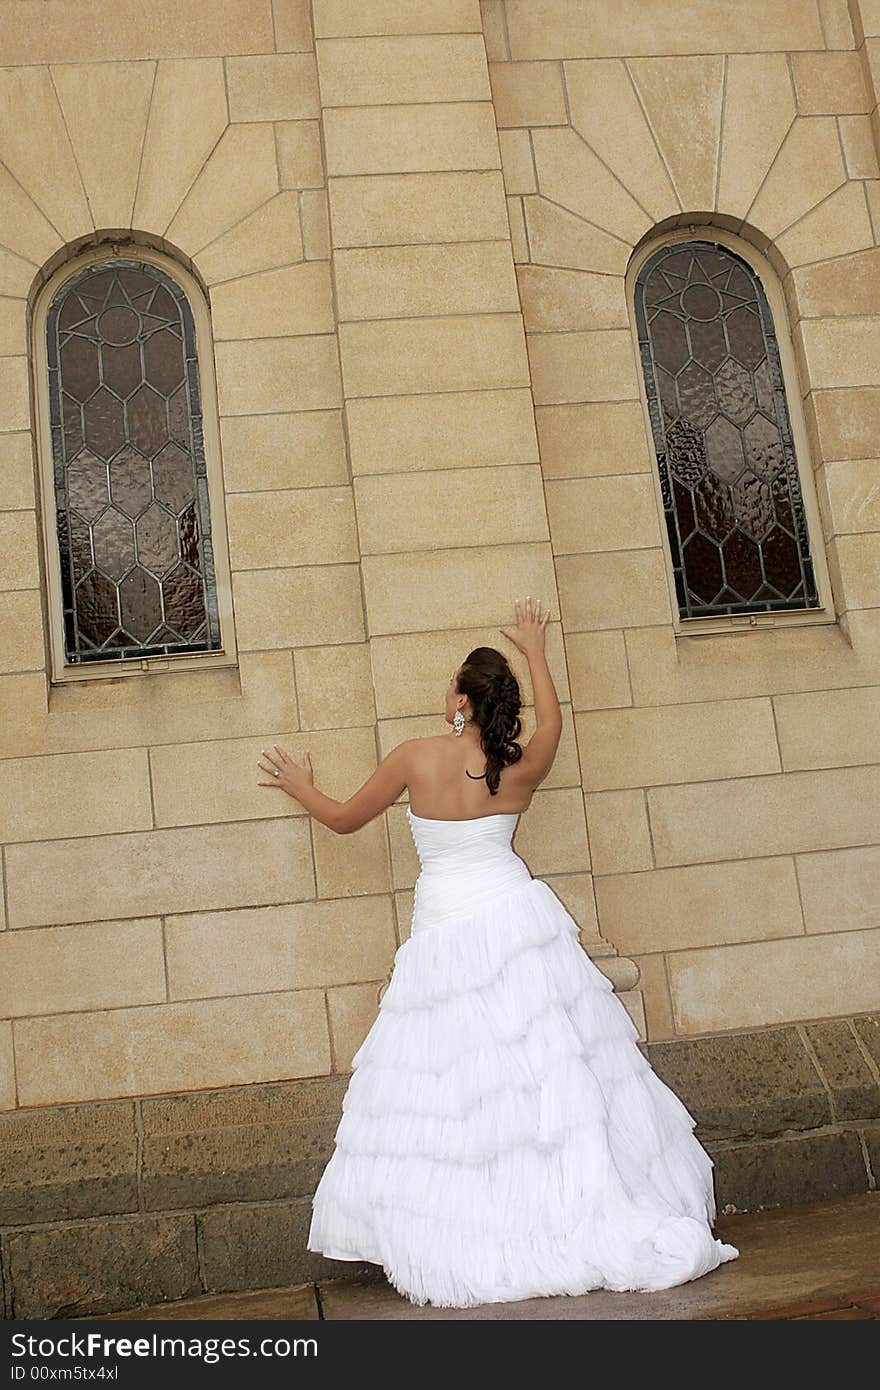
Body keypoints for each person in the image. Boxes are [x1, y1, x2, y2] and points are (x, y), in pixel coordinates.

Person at [256, 596, 739, 1308]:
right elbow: (552, 724)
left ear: (458, 700)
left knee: (454, 1077)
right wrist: (537, 651)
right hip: (514, 919)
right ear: (498, 703)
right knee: (544, 1070)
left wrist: (301, 785)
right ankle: (570, 1210)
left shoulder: (416, 758)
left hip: (447, 925)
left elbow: (344, 819)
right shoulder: (520, 767)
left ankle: (483, 1222)